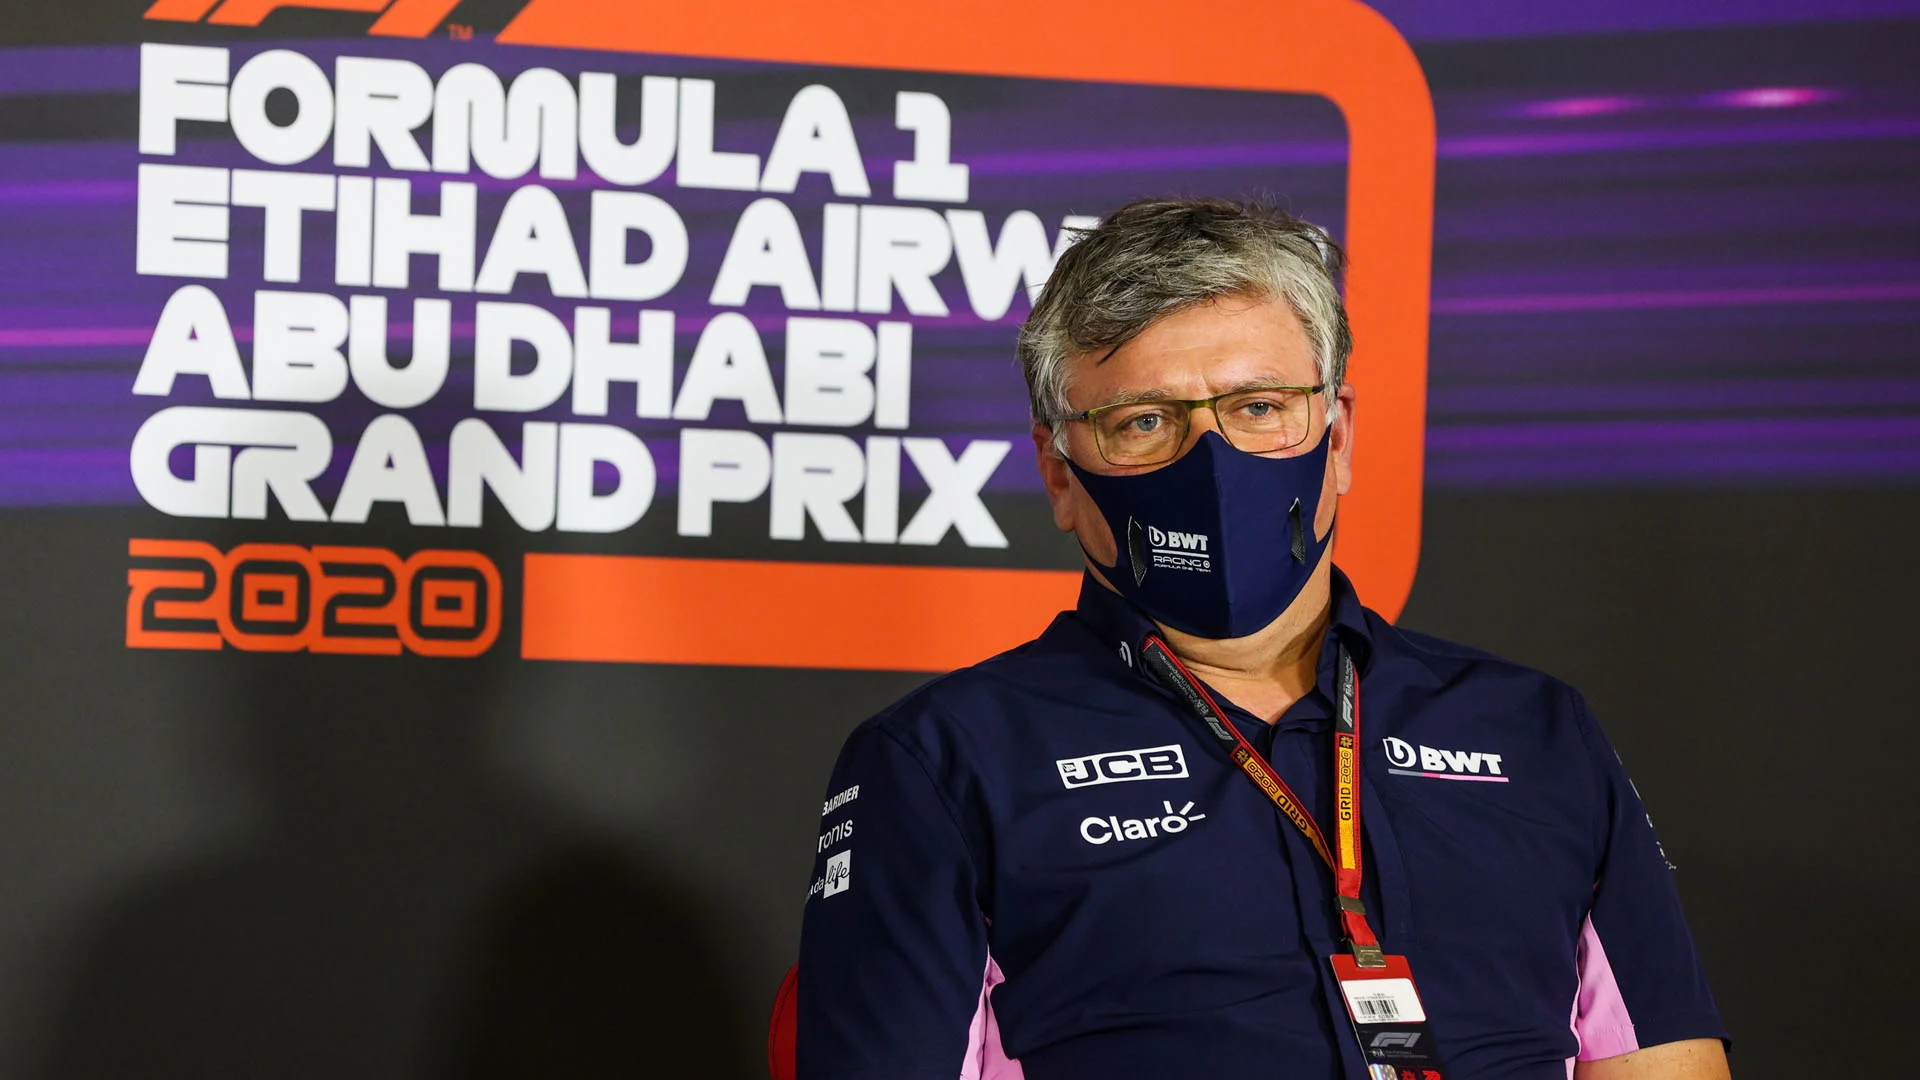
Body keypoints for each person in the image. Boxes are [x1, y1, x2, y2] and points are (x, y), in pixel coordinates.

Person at [795, 198, 1730, 1079]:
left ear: (1339, 432)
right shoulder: (942, 763)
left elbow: (1666, 1057)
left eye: (1258, 407)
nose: (1212, 461)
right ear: (1061, 474)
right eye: (1144, 422)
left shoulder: (1539, 732)